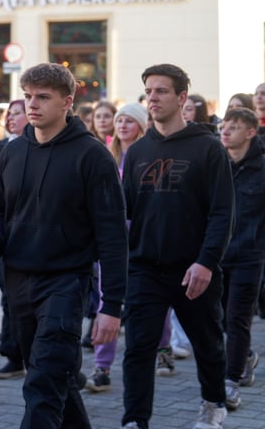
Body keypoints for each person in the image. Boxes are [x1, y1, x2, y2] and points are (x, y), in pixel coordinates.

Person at [0, 62, 128, 429]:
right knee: (56, 380)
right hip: (18, 281)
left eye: (43, 97)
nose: (32, 105)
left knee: (41, 385)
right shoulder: (12, 152)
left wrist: (112, 306)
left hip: (67, 283)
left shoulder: (92, 156)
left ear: (67, 102)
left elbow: (114, 237)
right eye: (27, 96)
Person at [120, 64, 233, 429]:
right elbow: (125, 209)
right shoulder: (137, 153)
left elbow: (222, 213)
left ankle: (214, 403)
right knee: (138, 348)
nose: (152, 98)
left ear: (182, 97)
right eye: (148, 91)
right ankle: (135, 420)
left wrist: (206, 262)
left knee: (208, 345)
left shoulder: (208, 148)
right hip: (144, 268)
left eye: (161, 91)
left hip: (194, 268)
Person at [85, 102, 149, 393]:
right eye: (119, 120)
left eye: (129, 121)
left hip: (142, 245)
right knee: (106, 303)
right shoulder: (105, 155)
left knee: (143, 305)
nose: (122, 126)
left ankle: (159, 350)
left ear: (141, 126)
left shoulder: (147, 157)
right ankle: (102, 366)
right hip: (110, 245)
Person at [218, 108, 265, 410]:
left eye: (233, 127)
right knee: (219, 319)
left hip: (250, 256)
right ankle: (244, 354)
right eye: (223, 126)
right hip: (216, 256)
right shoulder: (215, 164)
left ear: (250, 132)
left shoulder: (262, 168)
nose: (225, 131)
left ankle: (231, 380)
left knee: (237, 318)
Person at [0, 99, 28, 380]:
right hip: (8, 236)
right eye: (9, 113)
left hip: (33, 237)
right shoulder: (4, 147)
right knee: (8, 297)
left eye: (18, 113)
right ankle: (12, 353)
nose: (11, 118)